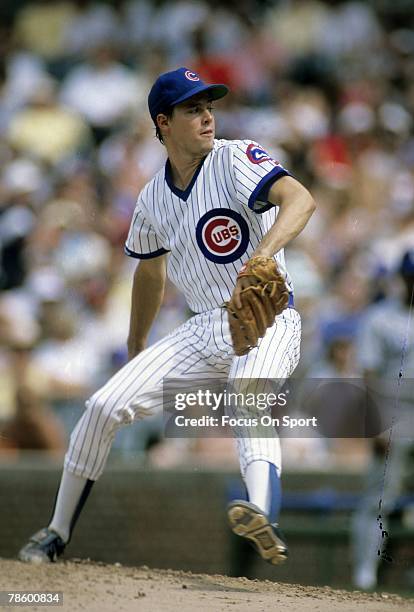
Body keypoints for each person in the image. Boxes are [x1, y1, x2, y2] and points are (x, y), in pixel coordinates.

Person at [18, 67, 315, 565]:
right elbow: (149, 274)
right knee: (103, 406)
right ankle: (55, 532)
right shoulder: (153, 197)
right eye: (193, 109)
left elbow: (300, 200)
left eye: (209, 107)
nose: (206, 117)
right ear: (164, 122)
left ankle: (261, 510)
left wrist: (262, 256)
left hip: (269, 319)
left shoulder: (234, 157)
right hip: (204, 325)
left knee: (248, 394)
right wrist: (137, 346)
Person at [351, 250, 414, 590]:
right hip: (395, 411)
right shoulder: (381, 318)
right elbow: (369, 375)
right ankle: (365, 572)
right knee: (378, 500)